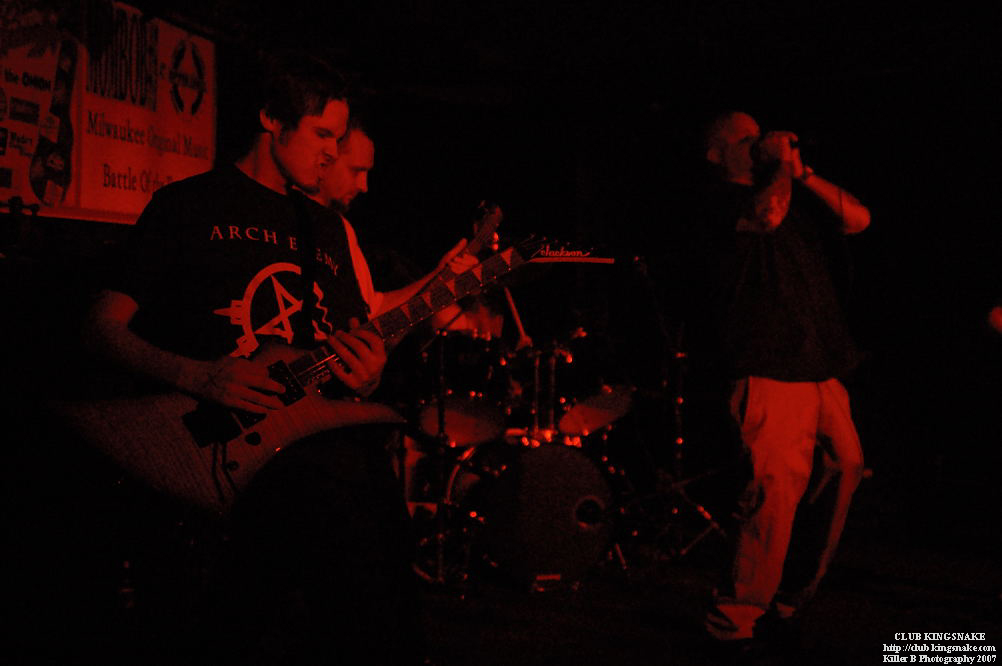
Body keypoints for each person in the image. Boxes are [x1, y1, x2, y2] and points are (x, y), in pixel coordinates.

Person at [83, 52, 468, 665]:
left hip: (317, 454)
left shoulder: (328, 229)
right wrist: (198, 374)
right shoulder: (187, 205)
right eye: (321, 135)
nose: (331, 153)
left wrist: (367, 373)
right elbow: (100, 329)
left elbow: (354, 341)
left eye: (338, 139)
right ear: (270, 119)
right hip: (216, 449)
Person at [693, 111, 870, 649]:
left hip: (820, 365)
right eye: (744, 138)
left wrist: (803, 172)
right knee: (773, 494)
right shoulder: (719, 203)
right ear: (716, 153)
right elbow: (765, 217)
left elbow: (859, 218)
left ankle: (790, 595)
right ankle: (734, 620)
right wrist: (779, 172)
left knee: (844, 467)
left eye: (759, 134)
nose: (758, 143)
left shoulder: (791, 192)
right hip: (768, 365)